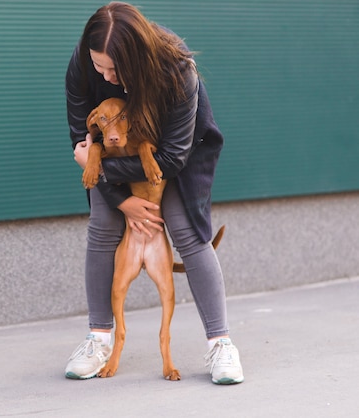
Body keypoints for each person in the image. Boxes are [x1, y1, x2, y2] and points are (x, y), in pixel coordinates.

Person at [64, 2, 244, 385]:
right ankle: (98, 339)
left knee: (187, 232)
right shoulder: (83, 61)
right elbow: (82, 141)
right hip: (111, 160)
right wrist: (120, 200)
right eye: (100, 67)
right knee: (102, 226)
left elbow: (173, 156)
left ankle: (220, 343)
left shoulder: (176, 68)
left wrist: (108, 175)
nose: (107, 77)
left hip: (176, 155)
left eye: (116, 68)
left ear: (138, 57)